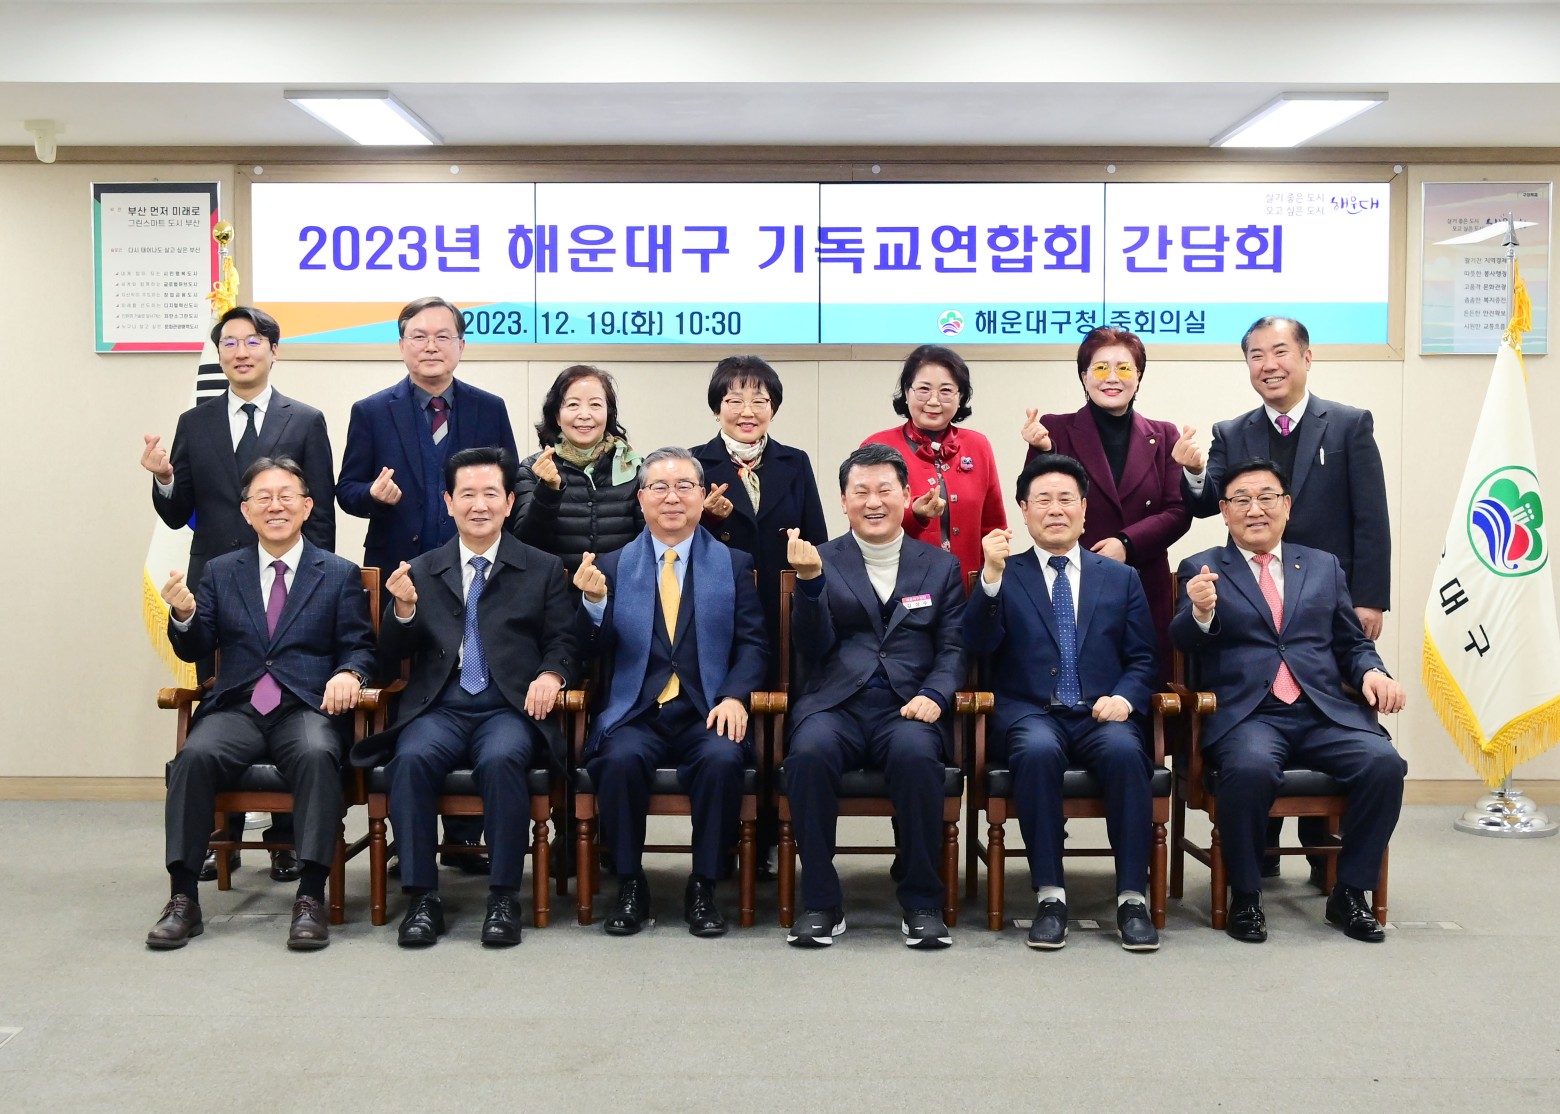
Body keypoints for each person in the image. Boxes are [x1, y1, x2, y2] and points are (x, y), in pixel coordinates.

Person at [1173, 315, 1391, 875]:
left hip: (1325, 594)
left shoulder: (1348, 424)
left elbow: (1371, 517)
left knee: (1326, 698)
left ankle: (1325, 860)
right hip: (1252, 593)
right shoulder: (1232, 431)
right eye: (1256, 356)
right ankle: (1260, 860)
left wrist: (1369, 598)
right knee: (1258, 717)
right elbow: (1208, 501)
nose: (1268, 365)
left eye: (1280, 352)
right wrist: (1195, 473)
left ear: (1306, 358)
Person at [1170, 458, 1407, 944]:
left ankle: (1350, 892)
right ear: (1224, 511)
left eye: (1266, 497)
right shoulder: (1202, 568)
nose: (1255, 509)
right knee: (1249, 770)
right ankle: (1246, 895)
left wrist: (1373, 673)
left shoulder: (1322, 565)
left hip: (1322, 711)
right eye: (1241, 500)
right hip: (1249, 715)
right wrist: (1199, 612)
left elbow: (1351, 644)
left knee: (1384, 764)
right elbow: (1182, 641)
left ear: (1287, 505)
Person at [352, 448, 578, 948]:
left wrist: (551, 674)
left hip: (508, 706)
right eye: (467, 495)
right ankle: (422, 897)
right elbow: (391, 656)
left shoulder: (541, 568)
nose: (479, 505)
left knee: (501, 761)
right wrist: (403, 611)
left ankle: (503, 897)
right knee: (410, 759)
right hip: (441, 706)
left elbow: (564, 639)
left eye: (490, 494)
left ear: (509, 502)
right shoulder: (422, 568)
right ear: (449, 502)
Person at [147, 457, 373, 951]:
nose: (275, 506)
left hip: (305, 706)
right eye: (263, 498)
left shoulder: (337, 573)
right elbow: (195, 645)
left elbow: (359, 646)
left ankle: (310, 895)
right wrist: (184, 615)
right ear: (246, 511)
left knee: (317, 754)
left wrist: (349, 673)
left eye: (286, 496)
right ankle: (183, 897)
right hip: (239, 706)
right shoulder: (220, 571)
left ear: (307, 507)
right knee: (193, 757)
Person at [143, 304, 336, 884]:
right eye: (228, 343)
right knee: (227, 701)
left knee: (289, 698)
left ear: (273, 350)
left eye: (252, 341)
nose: (240, 352)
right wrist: (164, 477)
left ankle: (285, 840)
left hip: (289, 581)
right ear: (219, 354)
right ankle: (211, 835)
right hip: (217, 585)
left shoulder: (305, 419)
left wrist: (315, 581)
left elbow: (320, 514)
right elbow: (177, 513)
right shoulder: (195, 421)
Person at [337, 295, 519, 866]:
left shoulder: (489, 407)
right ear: (401, 345)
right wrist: (373, 496)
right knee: (409, 691)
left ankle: (465, 836)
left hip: (476, 569)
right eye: (419, 335)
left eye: (444, 336)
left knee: (472, 683)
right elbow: (346, 490)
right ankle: (406, 833)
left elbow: (509, 487)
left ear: (462, 345)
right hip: (403, 575)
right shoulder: (371, 410)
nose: (431, 345)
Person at [964, 453, 1160, 951]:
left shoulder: (1121, 578)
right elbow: (977, 647)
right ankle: (1050, 896)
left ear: (1085, 510)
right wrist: (989, 580)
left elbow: (1143, 658)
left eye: (1066, 499)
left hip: (1101, 713)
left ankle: (1131, 898)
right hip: (1030, 713)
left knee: (1125, 751)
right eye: (1043, 500)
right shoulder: (1003, 573)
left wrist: (1125, 698)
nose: (1055, 509)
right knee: (1035, 751)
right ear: (1024, 510)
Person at [573, 447, 767, 937]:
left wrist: (735, 696)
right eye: (659, 487)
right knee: (619, 761)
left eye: (684, 486)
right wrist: (593, 605)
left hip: (707, 708)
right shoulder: (613, 566)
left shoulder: (733, 564)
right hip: (637, 709)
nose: (672, 497)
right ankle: (629, 883)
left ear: (702, 497)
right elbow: (589, 651)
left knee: (722, 760)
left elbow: (754, 644)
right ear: (641, 499)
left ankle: (704, 885)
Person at [782, 443, 967, 949]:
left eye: (885, 489)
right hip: (835, 704)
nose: (873, 501)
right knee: (807, 755)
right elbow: (811, 647)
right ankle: (821, 903)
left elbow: (954, 647)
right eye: (860, 491)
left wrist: (935, 694)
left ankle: (922, 902)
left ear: (907, 496)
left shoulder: (940, 566)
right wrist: (810, 585)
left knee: (916, 756)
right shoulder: (821, 559)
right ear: (844, 502)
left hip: (908, 705)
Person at [1020, 327, 1190, 680]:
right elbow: (1035, 501)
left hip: (1144, 581)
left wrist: (1127, 544)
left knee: (1144, 683)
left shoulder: (1164, 434)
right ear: (1084, 376)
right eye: (1100, 368)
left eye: (1124, 368)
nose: (1112, 377)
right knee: (1074, 681)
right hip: (1072, 581)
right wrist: (1042, 452)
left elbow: (1178, 511)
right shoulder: (1055, 429)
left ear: (1138, 377)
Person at [692, 355, 829, 676]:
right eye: (734, 401)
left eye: (759, 401)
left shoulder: (795, 461)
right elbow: (674, 542)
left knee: (783, 683)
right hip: (718, 601)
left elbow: (817, 539)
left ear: (773, 409)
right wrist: (707, 517)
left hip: (783, 601)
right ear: (717, 409)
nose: (747, 412)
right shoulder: (693, 463)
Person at [862, 344, 1006, 587]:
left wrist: (991, 581)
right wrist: (914, 514)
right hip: (898, 586)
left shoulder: (978, 445)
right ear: (906, 392)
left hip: (967, 586)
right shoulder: (878, 446)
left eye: (946, 390)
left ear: (961, 396)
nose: (933, 400)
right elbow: (862, 524)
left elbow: (994, 527)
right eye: (923, 389)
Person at [512, 364, 643, 574]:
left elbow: (649, 541)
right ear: (557, 415)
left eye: (595, 405)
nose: (584, 414)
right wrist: (548, 491)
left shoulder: (634, 467)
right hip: (557, 590)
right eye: (573, 405)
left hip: (619, 588)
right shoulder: (532, 469)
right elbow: (524, 545)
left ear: (609, 413)